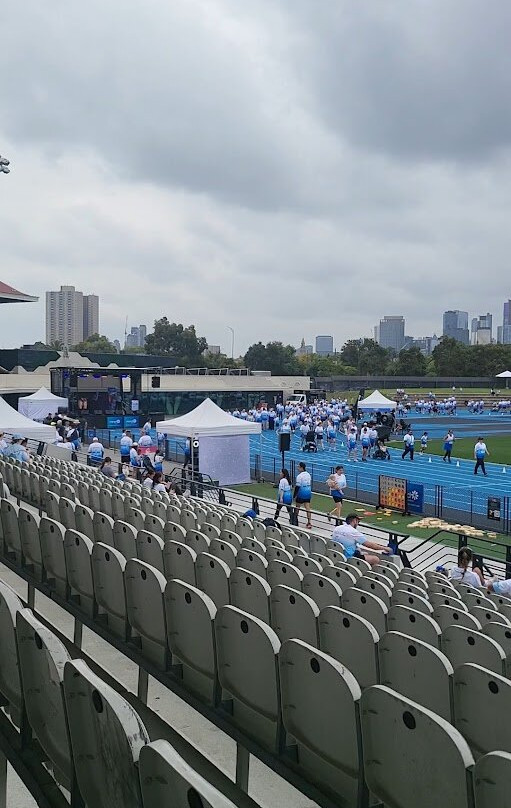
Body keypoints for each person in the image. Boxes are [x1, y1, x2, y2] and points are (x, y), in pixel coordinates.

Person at [294, 461, 312, 529]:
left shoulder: (299, 476)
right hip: (308, 492)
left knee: (297, 507)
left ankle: (295, 520)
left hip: (301, 493)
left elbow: (297, 487)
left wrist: (294, 496)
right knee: (307, 508)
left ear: (302, 468)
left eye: (298, 467)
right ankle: (309, 522)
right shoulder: (308, 474)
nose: (297, 468)